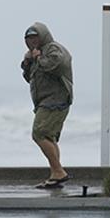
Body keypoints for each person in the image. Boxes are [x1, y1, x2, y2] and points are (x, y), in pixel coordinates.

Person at [20, 22, 73, 189]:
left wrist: (38, 58)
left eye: (35, 37)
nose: (32, 41)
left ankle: (59, 171)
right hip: (45, 101)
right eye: (29, 39)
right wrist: (28, 62)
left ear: (43, 35)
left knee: (39, 133)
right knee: (49, 137)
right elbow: (31, 78)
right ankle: (55, 175)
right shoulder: (37, 53)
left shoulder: (53, 49)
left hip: (56, 100)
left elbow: (56, 65)